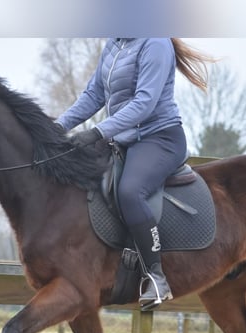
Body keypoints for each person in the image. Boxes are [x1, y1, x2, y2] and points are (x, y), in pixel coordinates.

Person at [56, 38, 212, 311]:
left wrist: (98, 131)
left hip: (159, 138)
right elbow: (94, 94)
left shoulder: (156, 44)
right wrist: (56, 128)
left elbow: (145, 103)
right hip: (123, 138)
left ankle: (156, 276)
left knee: (130, 191)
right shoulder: (114, 44)